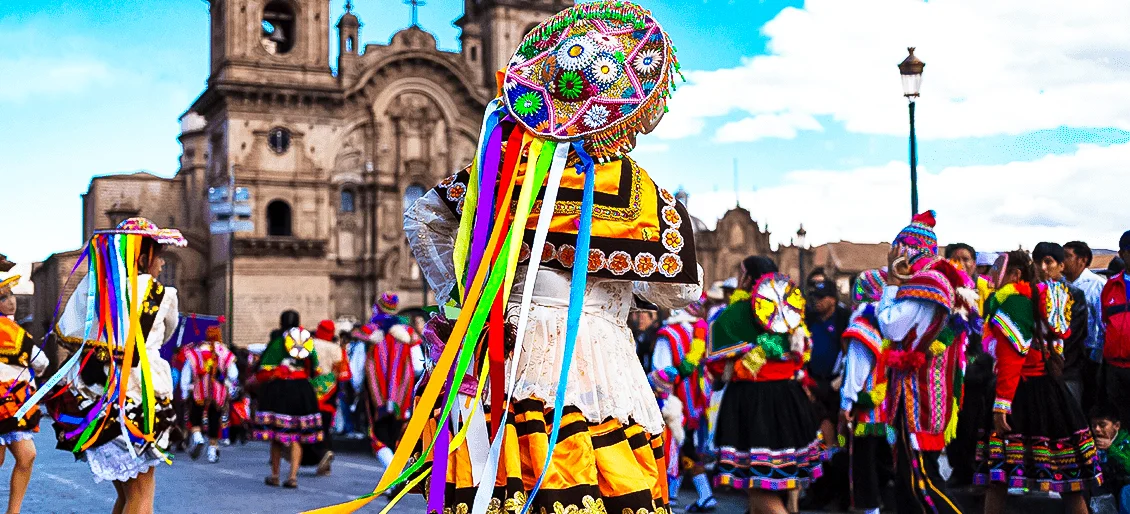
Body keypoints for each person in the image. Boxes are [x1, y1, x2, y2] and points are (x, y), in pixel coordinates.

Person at [399, 3, 702, 512]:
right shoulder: (639, 189)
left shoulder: (501, 169)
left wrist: (471, 291)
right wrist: (624, 284)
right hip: (593, 360)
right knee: (598, 477)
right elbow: (680, 288)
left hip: (506, 351)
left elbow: (424, 219)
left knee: (503, 483)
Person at [44, 218, 183, 514]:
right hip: (139, 397)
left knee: (126, 495)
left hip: (97, 399)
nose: (162, 263)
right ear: (142, 258)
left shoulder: (96, 289)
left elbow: (69, 333)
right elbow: (168, 332)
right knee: (142, 497)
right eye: (159, 255)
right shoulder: (162, 294)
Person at [975, 250, 1101, 514]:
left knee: (998, 477)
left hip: (1019, 394)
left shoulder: (1014, 304)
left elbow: (1011, 360)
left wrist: (1001, 406)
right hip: (1052, 393)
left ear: (1015, 274)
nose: (993, 277)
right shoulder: (1041, 300)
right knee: (1068, 480)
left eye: (999, 271)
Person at [706, 256, 822, 514]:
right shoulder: (792, 311)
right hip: (789, 400)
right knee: (777, 479)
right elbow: (802, 354)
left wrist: (749, 361)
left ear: (748, 278)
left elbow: (716, 366)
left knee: (759, 486)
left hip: (753, 402)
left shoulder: (736, 312)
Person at [878, 211, 973, 514]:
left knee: (923, 484)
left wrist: (891, 282)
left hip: (917, 396)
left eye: (897, 249)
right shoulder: (945, 280)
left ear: (906, 251)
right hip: (928, 392)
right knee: (908, 484)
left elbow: (891, 326)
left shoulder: (925, 283)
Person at [839, 269, 894, 514]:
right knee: (883, 460)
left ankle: (870, 508)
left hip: (865, 409)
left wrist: (846, 403)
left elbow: (856, 369)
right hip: (888, 408)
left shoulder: (862, 326)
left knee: (864, 463)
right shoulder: (891, 322)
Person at [651, 306, 714, 512]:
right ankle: (676, 494)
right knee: (683, 447)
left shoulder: (668, 334)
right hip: (693, 400)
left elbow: (662, 373)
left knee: (674, 446)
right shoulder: (696, 331)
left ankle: (699, 495)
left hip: (673, 403)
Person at [801, 278, 851, 511]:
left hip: (836, 386)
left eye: (822, 298)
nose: (817, 302)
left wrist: (840, 381)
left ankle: (841, 494)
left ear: (833, 299)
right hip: (813, 384)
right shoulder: (809, 318)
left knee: (838, 442)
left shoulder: (844, 318)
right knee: (814, 440)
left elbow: (850, 351)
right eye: (815, 298)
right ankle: (817, 491)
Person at [0, 273, 48, 514]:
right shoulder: (10, 330)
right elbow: (41, 361)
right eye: (3, 297)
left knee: (27, 455)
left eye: (11, 295)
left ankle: (13, 512)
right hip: (5, 400)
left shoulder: (14, 329)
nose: (11, 301)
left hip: (14, 401)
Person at [254, 320, 322, 489]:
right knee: (297, 436)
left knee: (277, 435)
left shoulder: (278, 342)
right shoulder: (307, 340)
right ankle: (292, 477)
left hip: (280, 390)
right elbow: (315, 368)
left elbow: (265, 368)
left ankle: (275, 475)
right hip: (302, 390)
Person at [362, 295, 422, 469]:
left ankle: (392, 474)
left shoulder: (368, 331)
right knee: (398, 434)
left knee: (378, 436)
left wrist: (359, 387)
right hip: (402, 396)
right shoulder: (408, 332)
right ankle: (395, 474)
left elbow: (358, 367)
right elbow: (418, 366)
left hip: (376, 396)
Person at [1032, 242, 1090, 407]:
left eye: (1048, 262)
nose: (1042, 268)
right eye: (1038, 262)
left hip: (1066, 369)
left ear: (1061, 265)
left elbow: (1073, 334)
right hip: (1033, 370)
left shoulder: (1073, 295)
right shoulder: (1028, 293)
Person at [181, 325, 237, 463]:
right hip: (218, 393)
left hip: (199, 390)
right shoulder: (224, 351)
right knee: (214, 419)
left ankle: (198, 437)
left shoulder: (197, 351)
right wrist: (228, 385)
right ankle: (212, 451)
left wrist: (185, 391)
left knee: (195, 416)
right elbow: (233, 374)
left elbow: (186, 372)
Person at [306, 319, 348, 475]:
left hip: (311, 391)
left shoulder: (310, 345)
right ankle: (326, 458)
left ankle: (321, 453)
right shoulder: (337, 349)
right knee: (326, 425)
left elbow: (306, 367)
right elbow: (342, 373)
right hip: (330, 392)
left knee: (312, 426)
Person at [1100, 230, 1130, 425]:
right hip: (1114, 368)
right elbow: (1104, 322)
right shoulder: (1111, 285)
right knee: (1118, 421)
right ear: (1122, 254)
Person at [1090, 405, 1130, 514]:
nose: (1097, 429)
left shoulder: (1126, 441)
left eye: (1102, 425)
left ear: (1116, 426)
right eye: (1094, 425)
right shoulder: (1090, 443)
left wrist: (1111, 448)